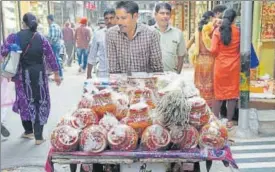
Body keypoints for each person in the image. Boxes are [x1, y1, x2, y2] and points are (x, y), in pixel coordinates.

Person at [0, 13, 61, 145]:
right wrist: (56, 74)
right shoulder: (41, 38)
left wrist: (11, 49)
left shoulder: (14, 37)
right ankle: (38, 136)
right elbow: (50, 56)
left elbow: (3, 52)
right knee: (40, 102)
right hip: (39, 75)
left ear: (23, 23)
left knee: (25, 103)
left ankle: (28, 131)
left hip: (22, 77)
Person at [107, 1, 163, 74]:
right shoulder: (111, 34)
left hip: (146, 83)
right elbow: (113, 70)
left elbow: (157, 68)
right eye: (117, 18)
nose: (119, 22)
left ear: (135, 16)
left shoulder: (151, 34)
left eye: (123, 18)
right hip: (122, 83)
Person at [210, 9, 240, 129]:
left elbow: (213, 50)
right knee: (232, 95)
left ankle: (215, 120)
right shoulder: (238, 32)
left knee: (218, 94)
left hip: (220, 66)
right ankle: (229, 120)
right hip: (234, 66)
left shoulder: (217, 31)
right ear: (234, 19)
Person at [152, 2, 187, 74]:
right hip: (152, 75)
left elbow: (181, 55)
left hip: (171, 75)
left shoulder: (178, 33)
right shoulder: (148, 32)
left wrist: (177, 74)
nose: (165, 16)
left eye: (167, 13)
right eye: (162, 13)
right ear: (155, 15)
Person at [191, 11, 216, 108]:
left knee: (200, 84)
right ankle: (209, 107)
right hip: (210, 60)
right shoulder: (212, 31)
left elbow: (191, 43)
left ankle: (199, 106)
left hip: (200, 60)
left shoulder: (198, 31)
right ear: (210, 18)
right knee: (209, 84)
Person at [87, 8, 116, 79]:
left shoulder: (122, 33)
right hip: (103, 74)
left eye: (111, 18)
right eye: (106, 19)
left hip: (119, 75)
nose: (109, 21)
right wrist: (88, 75)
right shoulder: (98, 34)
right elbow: (92, 55)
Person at [47, 14, 63, 79]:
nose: (47, 21)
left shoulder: (52, 26)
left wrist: (48, 41)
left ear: (49, 19)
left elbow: (52, 37)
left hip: (54, 45)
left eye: (47, 20)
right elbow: (61, 36)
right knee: (57, 59)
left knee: (55, 60)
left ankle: (59, 75)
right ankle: (59, 74)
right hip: (58, 44)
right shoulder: (57, 26)